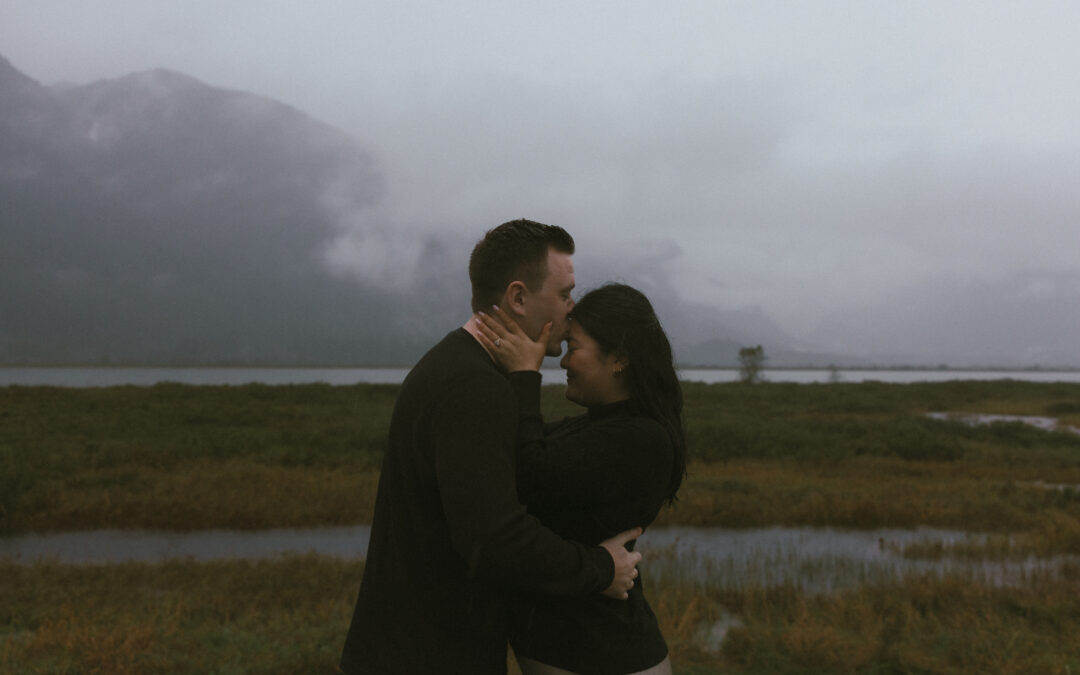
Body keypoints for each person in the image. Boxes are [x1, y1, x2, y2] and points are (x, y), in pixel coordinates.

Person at [340, 220, 644, 675]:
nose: (572, 310)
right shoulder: (473, 387)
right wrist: (601, 568)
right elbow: (495, 539)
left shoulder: (458, 365)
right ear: (518, 298)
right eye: (563, 295)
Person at [475, 283, 686, 675]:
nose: (564, 362)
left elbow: (528, 475)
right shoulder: (590, 428)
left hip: (607, 656)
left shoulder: (640, 439)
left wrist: (524, 374)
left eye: (573, 347)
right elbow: (511, 458)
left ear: (618, 358)